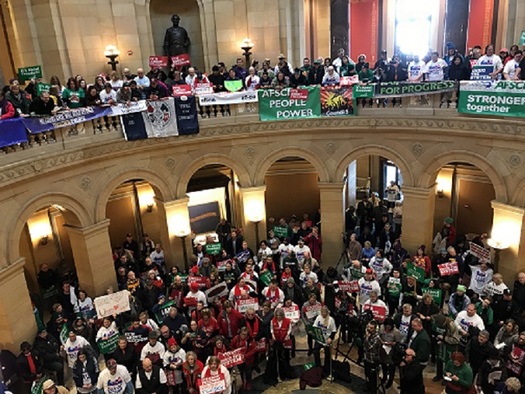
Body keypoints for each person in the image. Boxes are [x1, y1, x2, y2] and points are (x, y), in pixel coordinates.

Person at [312, 306, 337, 375]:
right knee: (315, 352)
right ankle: (318, 367)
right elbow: (314, 326)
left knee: (327, 354)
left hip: (327, 339)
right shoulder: (318, 317)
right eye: (322, 312)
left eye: (324, 312)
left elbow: (334, 331)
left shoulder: (331, 320)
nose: (323, 314)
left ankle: (327, 368)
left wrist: (331, 338)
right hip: (319, 338)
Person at [363, 320, 382, 393]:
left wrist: (367, 338)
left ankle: (372, 391)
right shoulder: (368, 334)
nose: (369, 329)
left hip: (373, 361)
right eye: (368, 327)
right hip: (367, 358)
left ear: (375, 329)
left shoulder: (376, 338)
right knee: (367, 375)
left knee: (372, 378)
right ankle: (368, 387)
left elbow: (368, 347)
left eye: (371, 328)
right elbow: (364, 347)